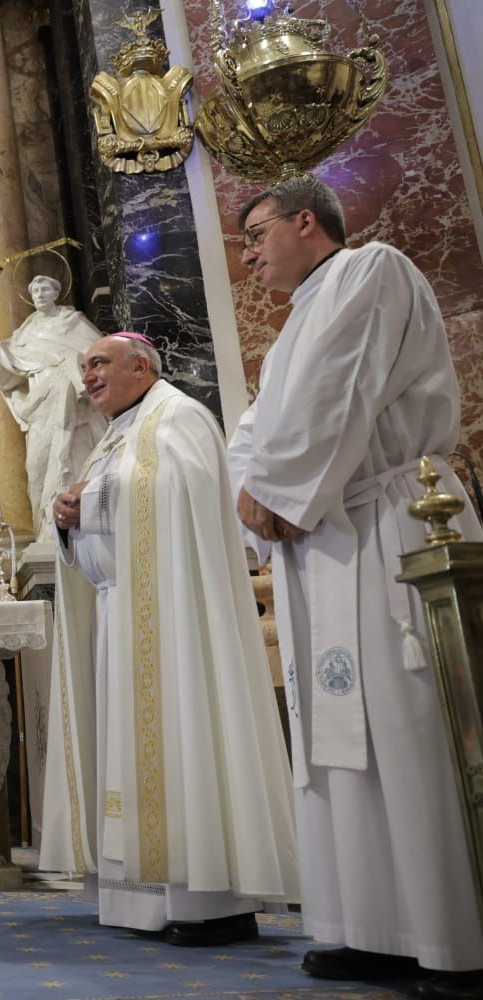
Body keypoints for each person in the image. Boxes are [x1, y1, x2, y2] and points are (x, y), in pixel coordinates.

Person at [228, 174, 483, 995]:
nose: (249, 255)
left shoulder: (372, 271)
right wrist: (260, 494)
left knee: (405, 722)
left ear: (308, 221)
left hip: (389, 521)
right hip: (325, 533)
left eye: (258, 233)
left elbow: (337, 391)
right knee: (339, 736)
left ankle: (452, 937)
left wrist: (278, 491)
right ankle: (369, 924)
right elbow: (258, 430)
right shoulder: (296, 321)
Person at [43, 332, 299, 946]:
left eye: (99, 363)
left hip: (172, 615)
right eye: (84, 369)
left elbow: (176, 501)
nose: (89, 378)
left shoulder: (178, 416)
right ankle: (140, 899)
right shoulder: (116, 436)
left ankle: (207, 898)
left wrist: (93, 501)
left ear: (142, 365)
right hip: (118, 611)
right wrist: (67, 518)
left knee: (186, 734)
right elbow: (109, 514)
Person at [0, 274, 106, 532]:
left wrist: (70, 362)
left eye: (45, 289)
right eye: (35, 291)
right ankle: (47, 528)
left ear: (56, 293)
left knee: (75, 465)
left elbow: (101, 355)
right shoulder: (25, 334)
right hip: (41, 411)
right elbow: (5, 370)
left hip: (76, 414)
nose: (40, 294)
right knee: (37, 470)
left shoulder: (73, 322)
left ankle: (82, 526)